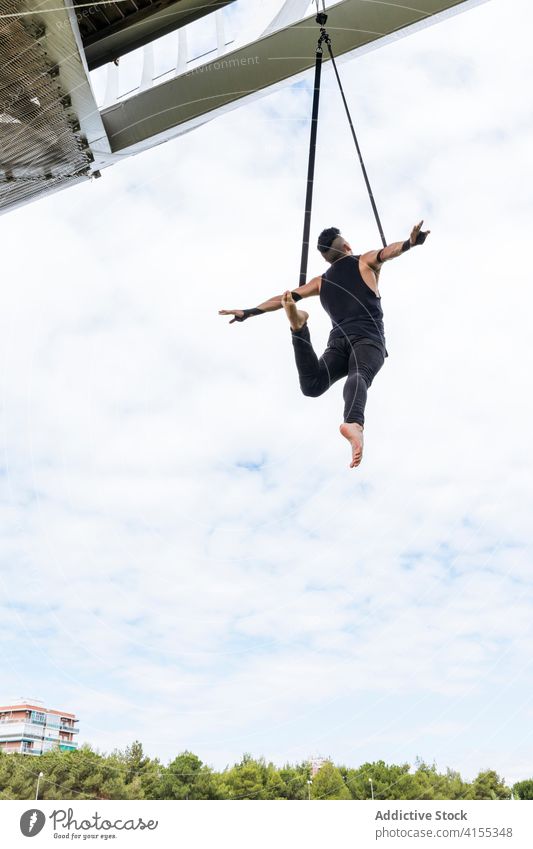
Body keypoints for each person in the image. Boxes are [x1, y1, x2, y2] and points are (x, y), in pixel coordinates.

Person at [219, 221, 430, 468]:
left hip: (337, 344)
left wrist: (249, 311)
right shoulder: (364, 261)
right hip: (368, 339)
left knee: (313, 384)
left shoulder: (321, 282)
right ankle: (353, 422)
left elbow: (283, 298)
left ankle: (298, 327)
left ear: (327, 259)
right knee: (360, 373)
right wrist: (409, 244)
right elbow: (388, 252)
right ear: (348, 246)